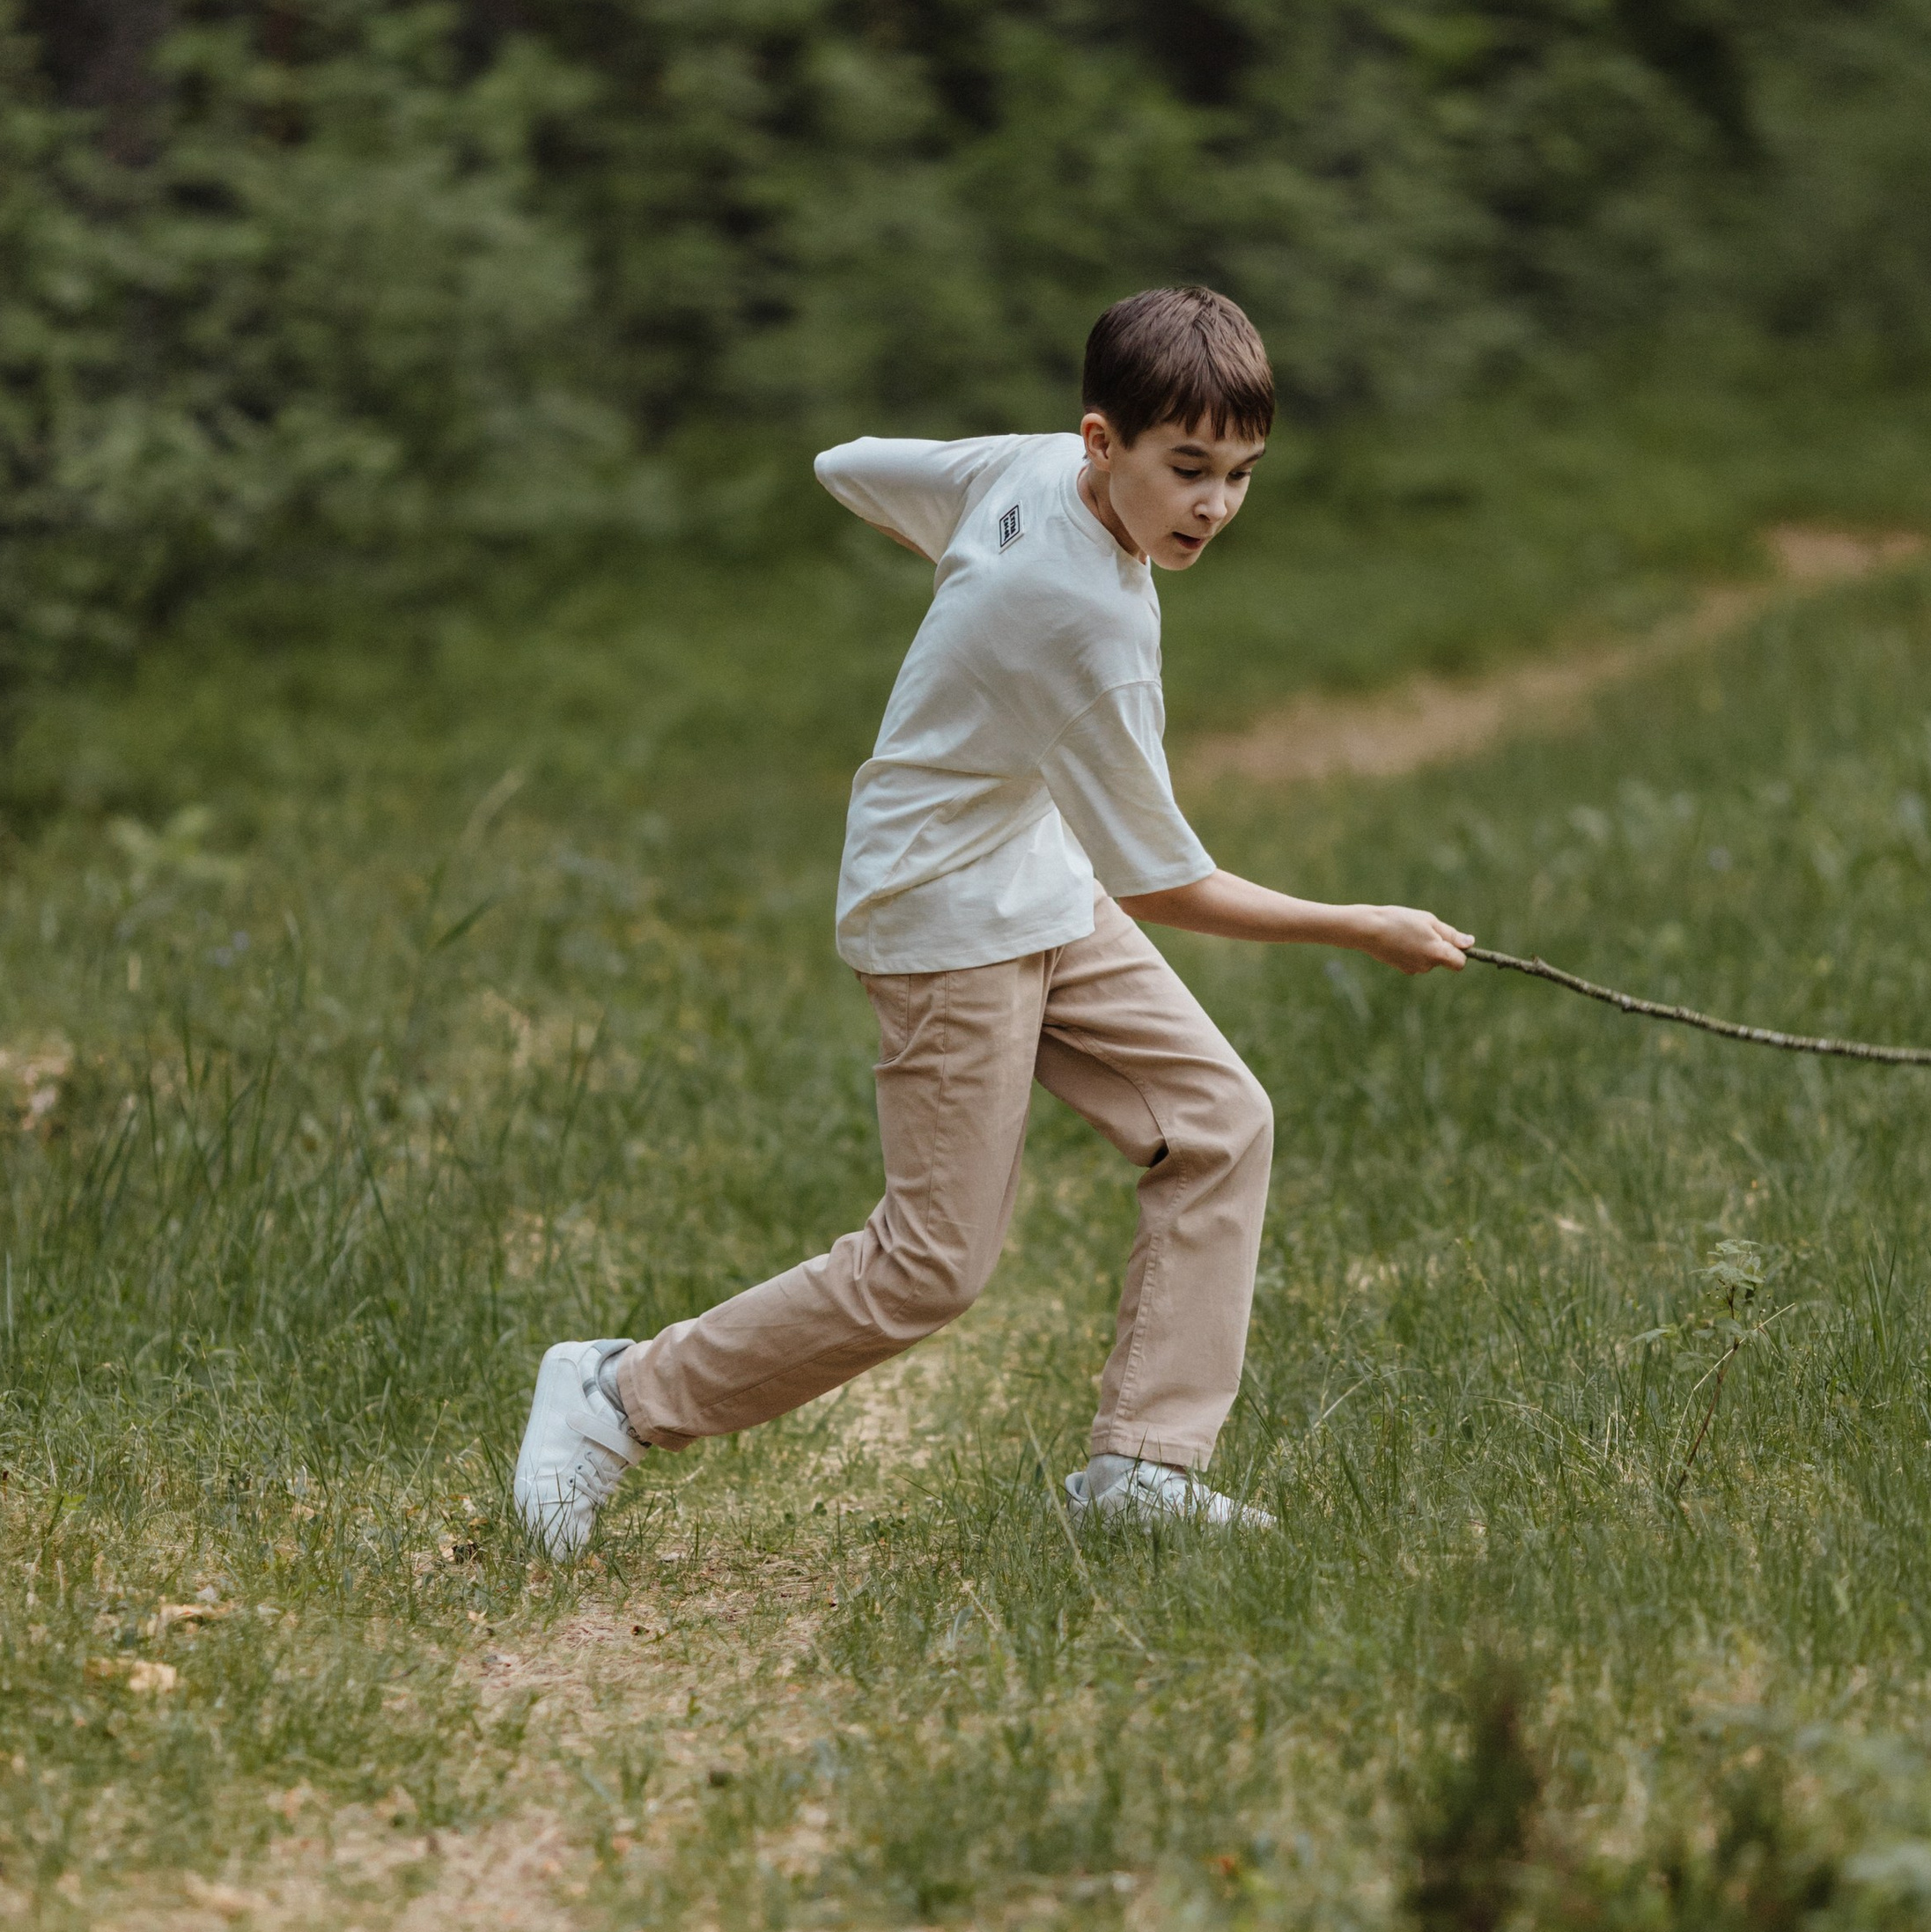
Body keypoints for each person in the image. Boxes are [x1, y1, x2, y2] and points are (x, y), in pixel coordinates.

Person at [513, 285, 1473, 1556]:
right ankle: (615, 1397)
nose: (1214, 506)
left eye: (1240, 475)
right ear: (1101, 441)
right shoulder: (1088, 624)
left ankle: (1143, 1467)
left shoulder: (1023, 470)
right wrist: (1365, 925)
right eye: (1187, 469)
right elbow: (1170, 885)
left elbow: (847, 465)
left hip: (1035, 877)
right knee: (928, 1266)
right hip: (942, 912)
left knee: (1219, 1122)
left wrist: (973, 584)